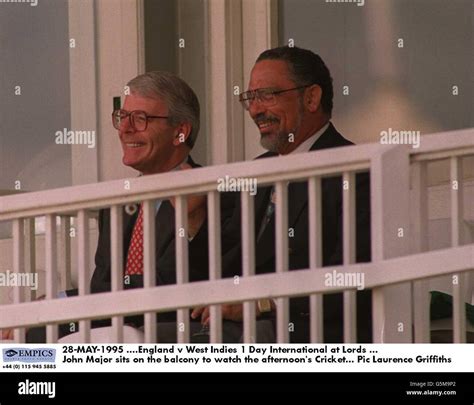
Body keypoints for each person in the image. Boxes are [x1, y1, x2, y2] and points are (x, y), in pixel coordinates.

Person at [3, 71, 220, 342]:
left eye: (140, 119)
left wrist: (57, 306)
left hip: (173, 337)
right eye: (122, 117)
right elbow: (102, 289)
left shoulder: (212, 195)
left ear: (180, 132)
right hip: (111, 333)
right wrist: (51, 306)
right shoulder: (117, 204)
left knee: (28, 336)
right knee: (16, 338)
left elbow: (170, 286)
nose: (125, 129)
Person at [192, 46, 372, 343]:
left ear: (311, 97)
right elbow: (224, 261)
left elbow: (352, 277)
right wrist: (195, 218)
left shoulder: (355, 169)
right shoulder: (256, 173)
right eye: (250, 98)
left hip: (311, 335)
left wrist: (263, 304)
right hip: (236, 330)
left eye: (267, 95)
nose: (255, 110)